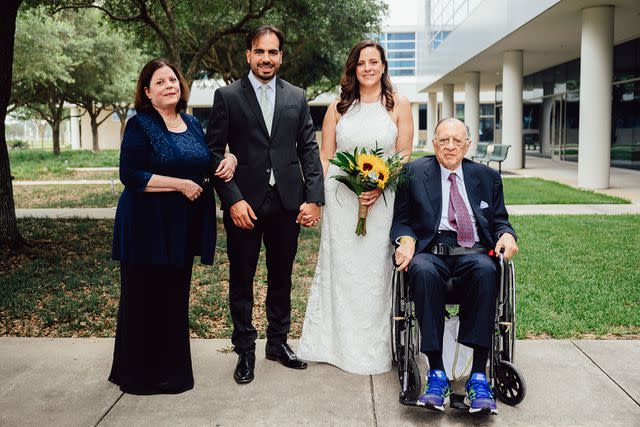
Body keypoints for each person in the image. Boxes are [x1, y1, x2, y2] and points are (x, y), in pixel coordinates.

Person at [109, 58, 237, 394]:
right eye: (161, 82)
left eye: (173, 80)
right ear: (147, 92)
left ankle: (174, 373)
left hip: (180, 228)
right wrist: (179, 185)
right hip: (145, 226)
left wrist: (230, 158)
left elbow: (206, 160)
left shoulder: (192, 123)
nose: (169, 86)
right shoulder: (140, 125)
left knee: (174, 299)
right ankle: (139, 376)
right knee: (143, 299)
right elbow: (131, 175)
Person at [206, 26, 324, 384]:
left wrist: (314, 198)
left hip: (288, 202)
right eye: (260, 52)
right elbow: (212, 153)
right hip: (245, 204)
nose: (266, 58)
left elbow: (308, 148)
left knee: (281, 277)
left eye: (273, 52)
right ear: (248, 55)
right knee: (242, 279)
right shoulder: (227, 96)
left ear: (281, 57)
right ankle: (244, 350)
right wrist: (232, 200)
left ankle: (277, 342)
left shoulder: (297, 96)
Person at [296, 40, 413, 374]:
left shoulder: (399, 104)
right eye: (361, 62)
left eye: (374, 62)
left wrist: (380, 183)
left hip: (382, 197)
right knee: (342, 268)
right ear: (353, 68)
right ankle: (336, 344)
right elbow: (325, 155)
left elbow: (403, 153)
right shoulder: (338, 106)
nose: (368, 68)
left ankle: (376, 346)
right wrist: (328, 191)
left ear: (383, 66)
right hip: (341, 200)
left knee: (374, 271)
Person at [391, 117, 519, 415]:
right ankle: (436, 375)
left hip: (472, 251)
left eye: (456, 141)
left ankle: (478, 375)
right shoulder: (413, 172)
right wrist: (406, 240)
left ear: (467, 145)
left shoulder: (487, 177)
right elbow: (402, 220)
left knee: (488, 270)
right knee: (421, 271)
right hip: (430, 249)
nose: (450, 146)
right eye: (443, 140)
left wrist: (507, 235)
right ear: (433, 143)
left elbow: (500, 219)